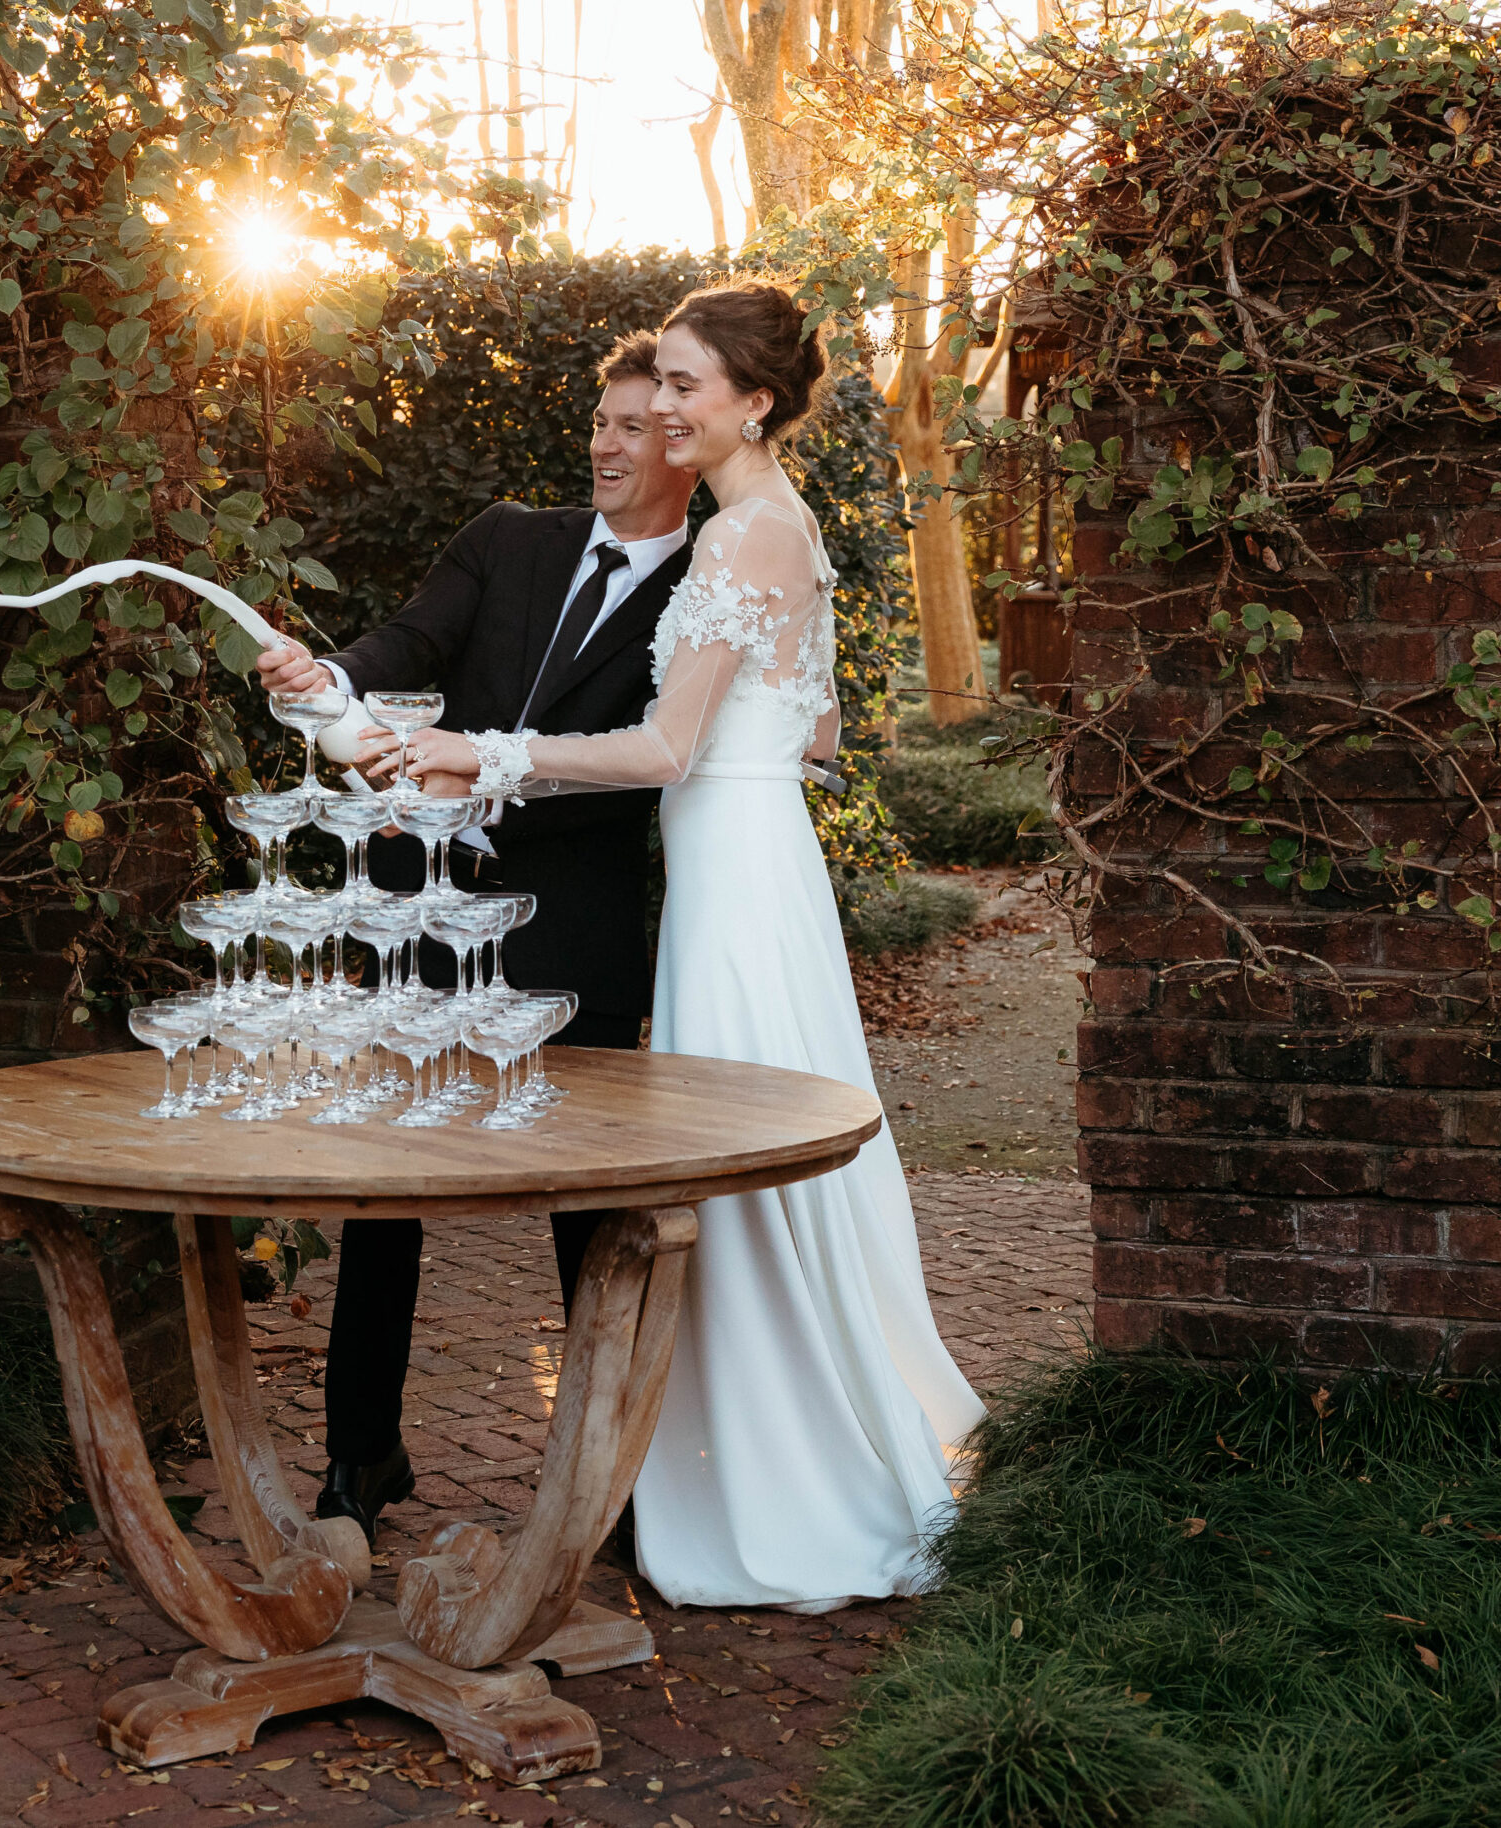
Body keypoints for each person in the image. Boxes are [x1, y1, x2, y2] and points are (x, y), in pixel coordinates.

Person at [390, 281, 986, 1613]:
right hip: (749, 866)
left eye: (684, 386)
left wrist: (479, 752)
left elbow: (665, 748)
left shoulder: (735, 543)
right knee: (750, 1162)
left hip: (734, 886)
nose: (660, 407)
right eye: (653, 381)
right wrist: (756, 768)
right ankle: (737, 1456)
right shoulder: (777, 524)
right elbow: (821, 730)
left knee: (739, 1170)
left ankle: (783, 1479)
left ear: (754, 402)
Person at [253, 331, 697, 1544]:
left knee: (588, 1213)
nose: (605, 444)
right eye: (599, 421)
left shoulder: (711, 583)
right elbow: (403, 647)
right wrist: (323, 677)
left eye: (632, 426)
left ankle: (609, 1486)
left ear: (687, 440)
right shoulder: (506, 536)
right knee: (382, 1188)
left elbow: (662, 761)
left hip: (577, 928)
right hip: (415, 906)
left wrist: (488, 774)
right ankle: (359, 1460)